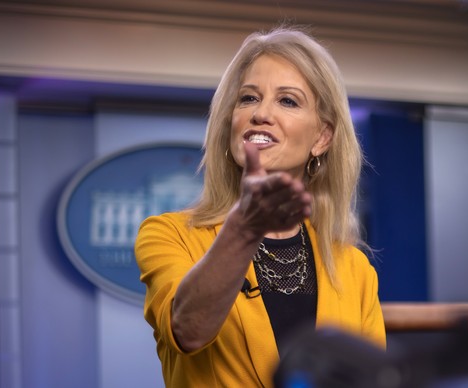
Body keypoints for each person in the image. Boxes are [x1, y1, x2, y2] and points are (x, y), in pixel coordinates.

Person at [135, 25, 386, 388]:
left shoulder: (354, 268)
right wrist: (245, 228)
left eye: (287, 101)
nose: (260, 114)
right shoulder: (168, 234)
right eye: (248, 98)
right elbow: (188, 330)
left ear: (322, 137)